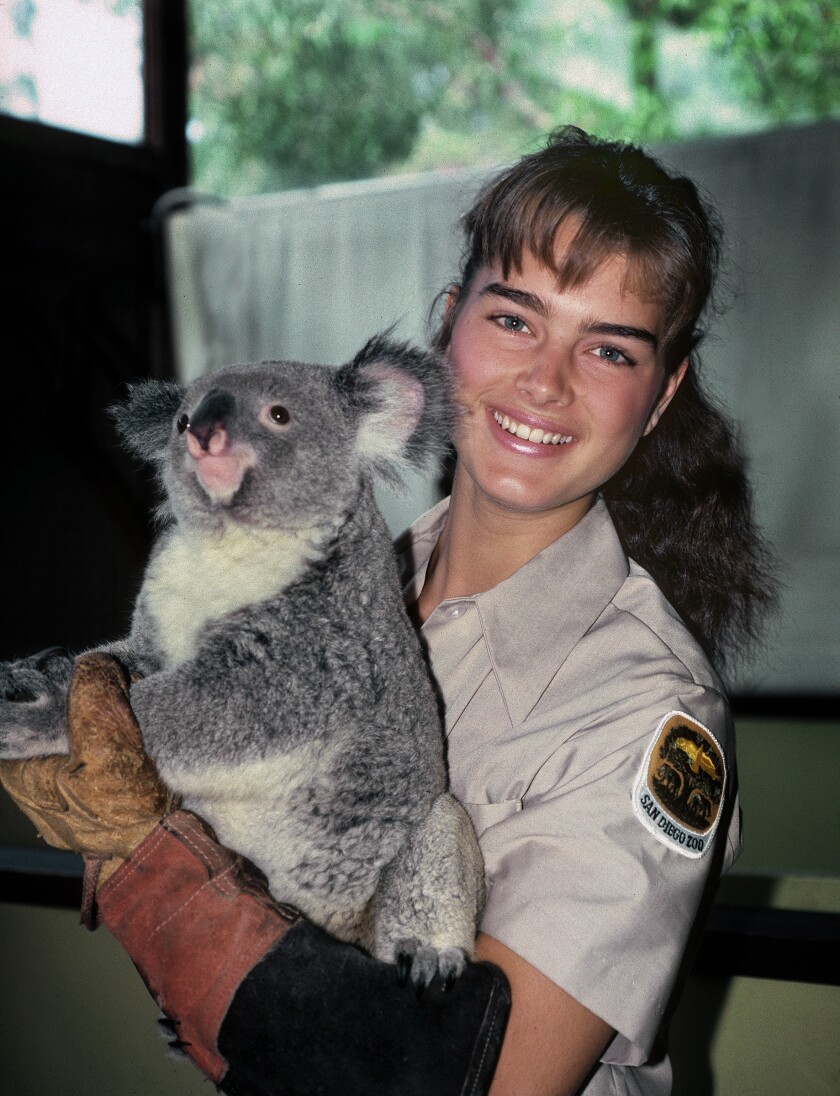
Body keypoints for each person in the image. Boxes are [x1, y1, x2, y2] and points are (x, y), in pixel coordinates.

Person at [1, 127, 776, 1095]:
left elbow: (491, 1081)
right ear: (447, 330)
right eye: (514, 319)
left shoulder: (648, 710)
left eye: (609, 348)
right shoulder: (338, 578)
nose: (545, 380)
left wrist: (164, 871)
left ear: (660, 397)